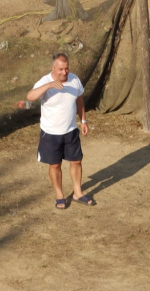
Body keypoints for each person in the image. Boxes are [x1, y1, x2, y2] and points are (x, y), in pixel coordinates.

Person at [27, 52, 96, 209]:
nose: (64, 72)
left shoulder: (74, 79)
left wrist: (83, 120)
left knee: (76, 161)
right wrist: (49, 85)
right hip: (51, 133)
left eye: (66, 68)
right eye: (60, 69)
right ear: (53, 68)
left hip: (71, 130)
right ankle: (60, 195)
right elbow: (30, 96)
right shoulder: (44, 81)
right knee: (55, 165)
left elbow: (79, 99)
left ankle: (78, 193)